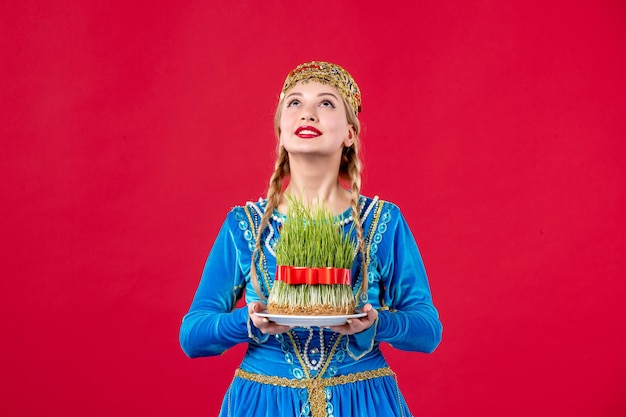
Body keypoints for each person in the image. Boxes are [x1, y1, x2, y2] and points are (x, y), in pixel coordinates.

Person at [179, 61, 442, 417]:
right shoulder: (245, 226)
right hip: (264, 403)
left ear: (350, 133)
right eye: (295, 103)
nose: (308, 114)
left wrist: (378, 322)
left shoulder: (383, 221)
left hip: (363, 402)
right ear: (280, 129)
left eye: (326, 103)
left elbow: (428, 331)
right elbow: (192, 337)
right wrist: (248, 322)